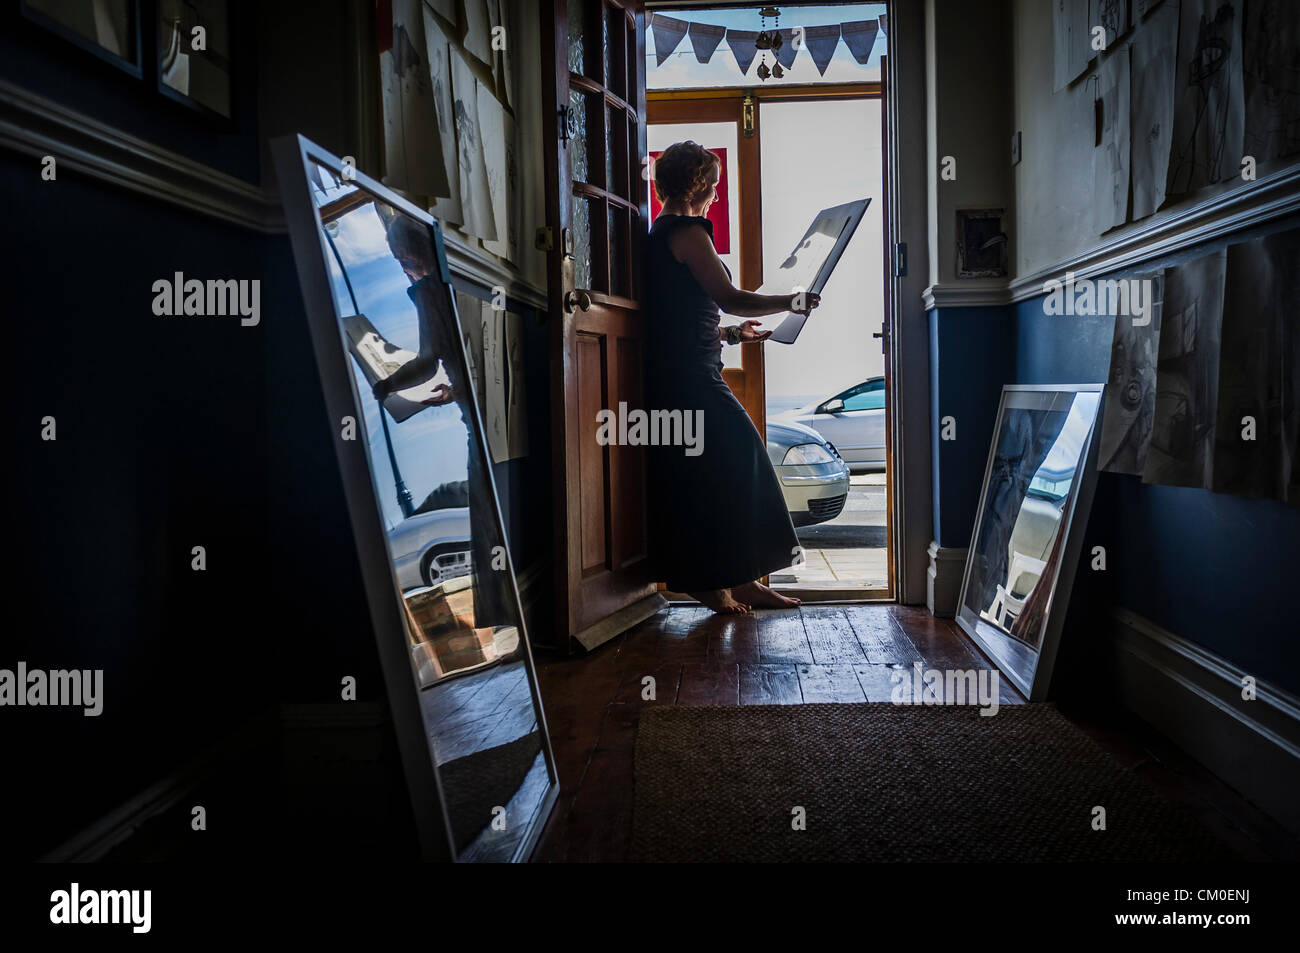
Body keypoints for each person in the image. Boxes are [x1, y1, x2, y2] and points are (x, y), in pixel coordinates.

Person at [645, 141, 821, 615]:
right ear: (696, 184)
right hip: (691, 380)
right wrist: (792, 300)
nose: (716, 196)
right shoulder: (686, 231)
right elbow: (729, 296)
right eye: (714, 186)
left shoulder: (663, 234)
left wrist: (731, 335)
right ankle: (725, 582)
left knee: (710, 478)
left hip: (685, 373)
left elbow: (686, 314)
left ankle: (733, 581)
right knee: (743, 466)